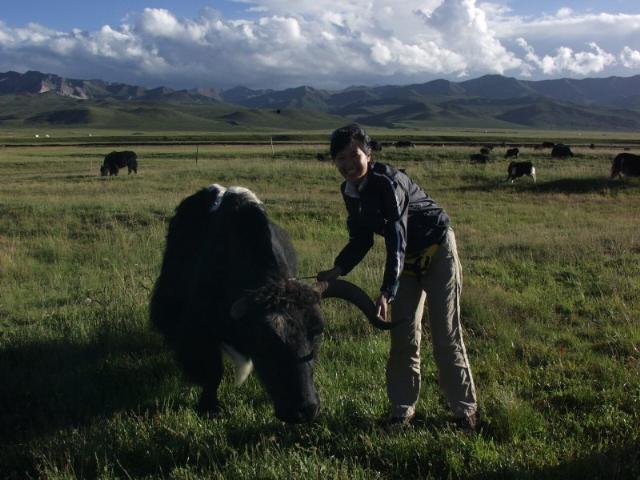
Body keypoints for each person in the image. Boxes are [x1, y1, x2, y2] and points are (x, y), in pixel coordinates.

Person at [317, 124, 478, 430]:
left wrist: (387, 291)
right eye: (340, 158)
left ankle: (465, 413)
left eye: (355, 155)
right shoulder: (350, 191)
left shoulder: (389, 183)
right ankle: (402, 412)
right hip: (406, 259)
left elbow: (396, 236)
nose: (348, 164)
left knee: (445, 334)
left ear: (369, 154)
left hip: (436, 249)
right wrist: (336, 271)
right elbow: (361, 238)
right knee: (403, 334)